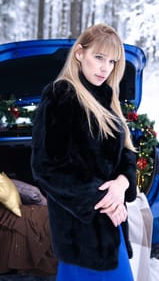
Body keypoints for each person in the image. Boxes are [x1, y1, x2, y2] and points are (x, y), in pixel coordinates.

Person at [31, 23, 137, 281]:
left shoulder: (106, 96)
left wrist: (122, 184)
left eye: (112, 61)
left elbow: (125, 153)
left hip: (109, 228)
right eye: (99, 57)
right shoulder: (61, 95)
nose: (105, 68)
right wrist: (106, 202)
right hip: (81, 232)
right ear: (80, 53)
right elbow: (48, 167)